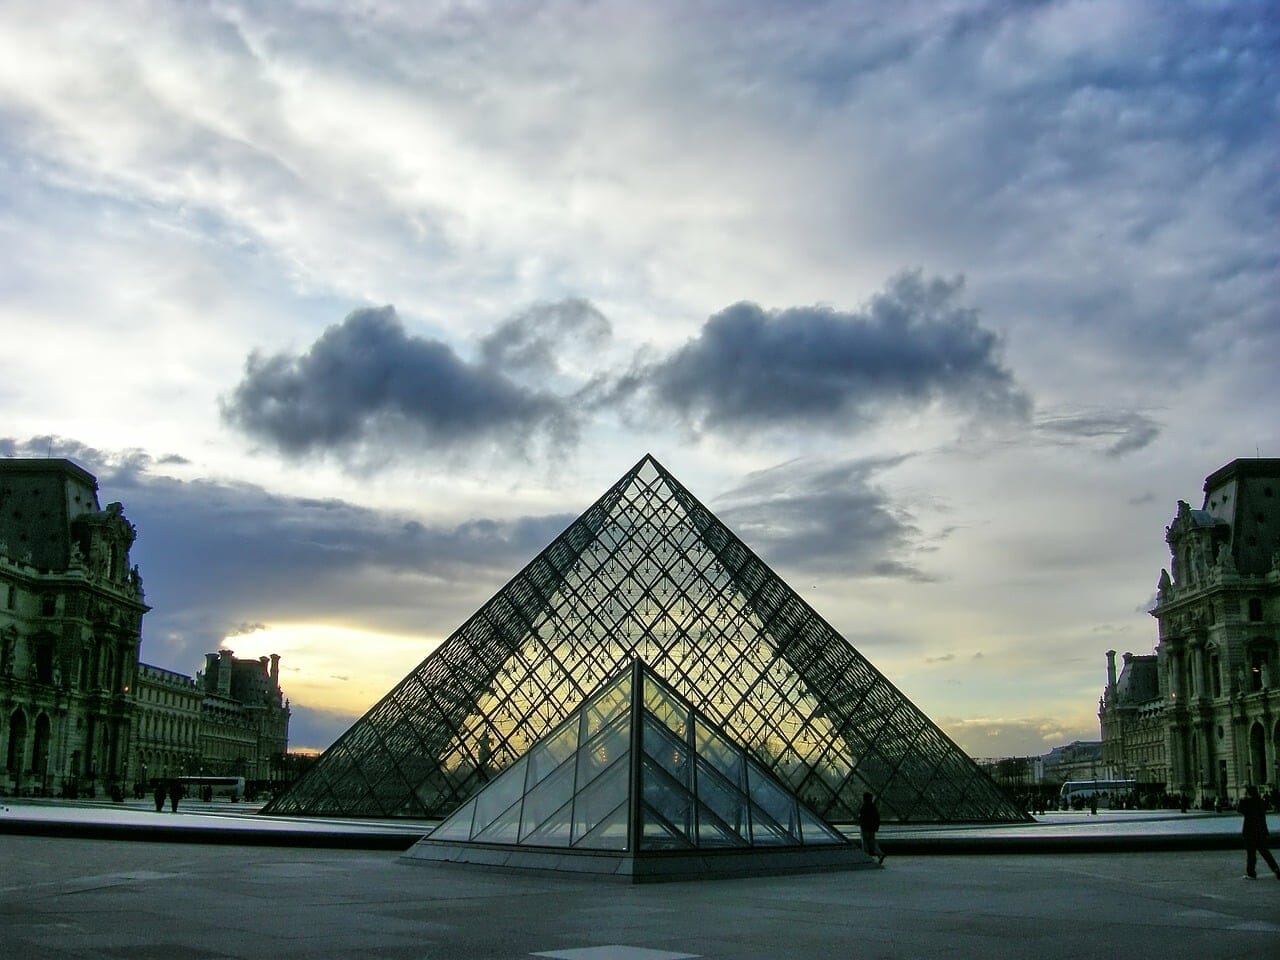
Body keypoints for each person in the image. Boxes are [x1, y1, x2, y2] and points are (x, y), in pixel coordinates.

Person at [1239, 784, 1280, 880]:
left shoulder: (1247, 802)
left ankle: (1251, 873)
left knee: (1251, 854)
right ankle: (1276, 869)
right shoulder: (1261, 802)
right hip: (1261, 831)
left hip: (1250, 832)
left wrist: (1243, 798)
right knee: (1265, 853)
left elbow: (1240, 809)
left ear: (1248, 793)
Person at [858, 791, 885, 865]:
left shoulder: (863, 807)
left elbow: (861, 818)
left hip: (865, 828)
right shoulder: (873, 807)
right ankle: (880, 853)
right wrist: (876, 827)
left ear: (864, 798)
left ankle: (866, 857)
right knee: (872, 842)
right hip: (872, 828)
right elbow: (877, 818)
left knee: (865, 843)